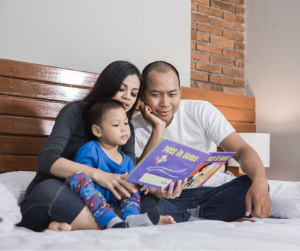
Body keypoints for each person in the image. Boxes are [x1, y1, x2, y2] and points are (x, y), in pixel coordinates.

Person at [18, 60, 174, 232]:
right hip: (63, 194)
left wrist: (158, 129)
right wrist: (98, 175)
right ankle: (120, 223)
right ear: (107, 85)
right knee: (49, 191)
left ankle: (86, 222)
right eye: (122, 89)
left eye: (134, 93)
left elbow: (127, 176)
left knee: (152, 203)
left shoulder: (126, 127)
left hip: (100, 202)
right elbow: (46, 159)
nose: (127, 97)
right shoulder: (76, 112)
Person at [132, 61, 272, 222]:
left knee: (254, 184)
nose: (165, 103)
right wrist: (158, 128)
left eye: (172, 94)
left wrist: (260, 179)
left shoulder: (201, 111)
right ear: (142, 95)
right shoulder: (129, 128)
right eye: (156, 95)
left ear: (180, 91)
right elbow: (137, 178)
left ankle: (189, 219)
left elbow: (241, 150)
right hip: (167, 199)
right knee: (135, 200)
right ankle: (203, 221)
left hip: (212, 195)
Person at [63, 100, 161, 229]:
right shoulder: (90, 149)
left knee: (133, 183)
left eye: (126, 123)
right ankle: (109, 218)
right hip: (90, 201)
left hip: (117, 200)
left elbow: (133, 190)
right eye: (116, 125)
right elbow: (83, 178)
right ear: (97, 131)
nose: (124, 128)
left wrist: (142, 185)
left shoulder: (127, 161)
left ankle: (131, 217)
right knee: (77, 176)